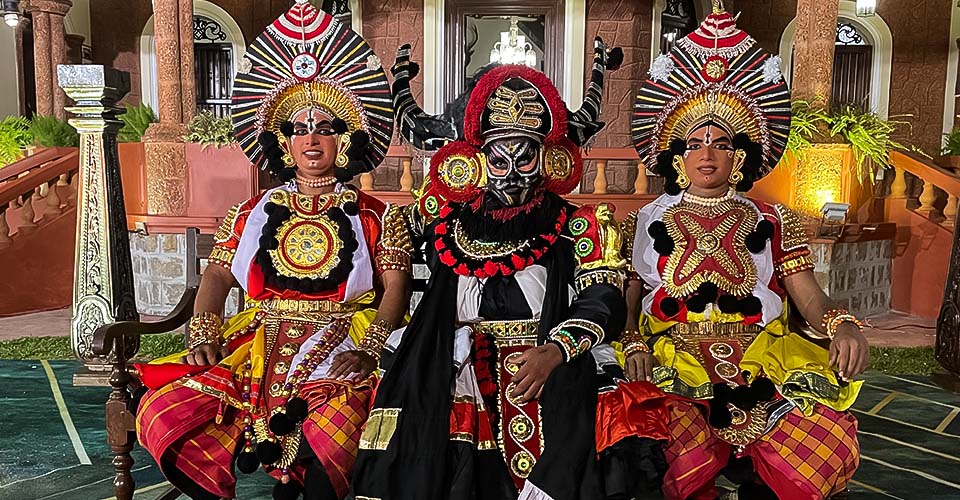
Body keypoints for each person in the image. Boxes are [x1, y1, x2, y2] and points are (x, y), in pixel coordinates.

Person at [133, 2, 411, 499]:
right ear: (282, 143)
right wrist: (204, 331)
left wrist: (370, 349)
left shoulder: (377, 213)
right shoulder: (251, 211)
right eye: (298, 129)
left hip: (344, 336)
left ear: (344, 141)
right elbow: (217, 276)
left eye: (325, 127)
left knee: (338, 425)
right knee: (167, 409)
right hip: (260, 336)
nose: (311, 138)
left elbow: (396, 287)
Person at [606, 2, 869, 499]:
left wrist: (842, 324)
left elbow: (808, 295)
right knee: (664, 451)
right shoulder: (646, 219)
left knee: (819, 447)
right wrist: (633, 340)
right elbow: (633, 297)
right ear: (678, 156)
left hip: (762, 355)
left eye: (721, 143)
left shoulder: (772, 218)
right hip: (673, 355)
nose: (707, 153)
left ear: (740, 155)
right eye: (694, 143)